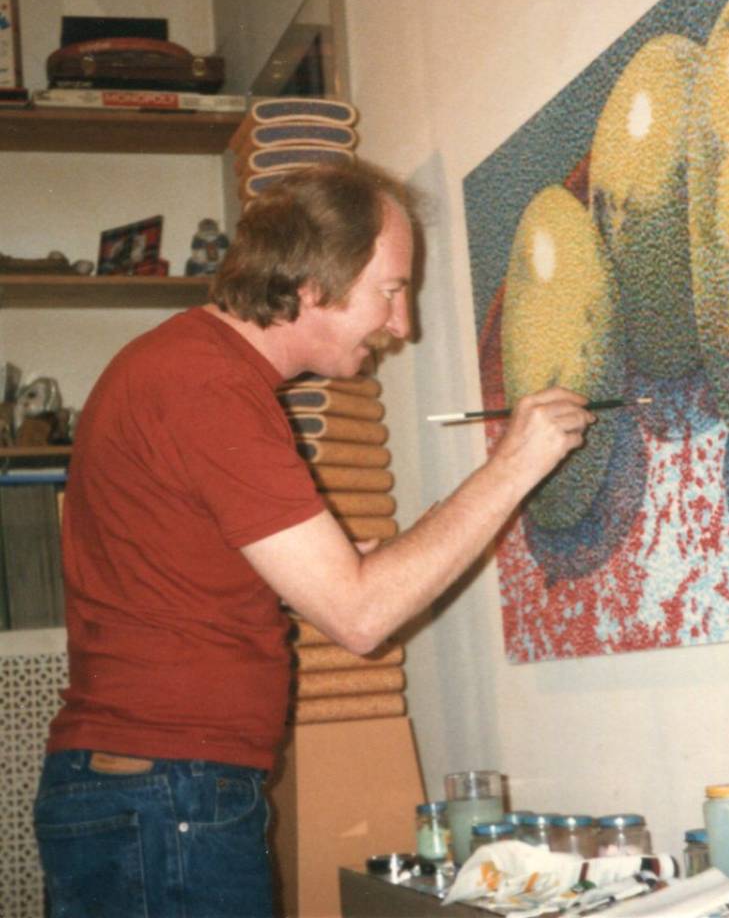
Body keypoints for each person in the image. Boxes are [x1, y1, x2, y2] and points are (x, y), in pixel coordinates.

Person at [34, 159, 594, 918]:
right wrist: (514, 465)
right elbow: (359, 618)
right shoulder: (206, 385)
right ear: (310, 285)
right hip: (166, 794)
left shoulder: (188, 370)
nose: (402, 325)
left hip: (155, 789)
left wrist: (331, 570)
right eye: (391, 292)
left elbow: (191, 581)